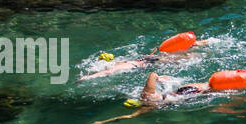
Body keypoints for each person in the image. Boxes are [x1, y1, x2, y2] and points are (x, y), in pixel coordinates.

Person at [90, 72, 211, 124]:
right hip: (183, 89)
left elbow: (129, 116)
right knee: (209, 85)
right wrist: (159, 78)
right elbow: (152, 74)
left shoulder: (148, 106)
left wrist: (102, 122)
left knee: (211, 88)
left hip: (184, 96)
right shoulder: (146, 94)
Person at [78, 38, 212, 81]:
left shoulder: (124, 65)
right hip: (147, 60)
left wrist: (87, 77)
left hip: (145, 62)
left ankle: (196, 46)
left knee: (180, 59)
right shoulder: (123, 62)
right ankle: (197, 44)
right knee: (180, 58)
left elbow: (106, 73)